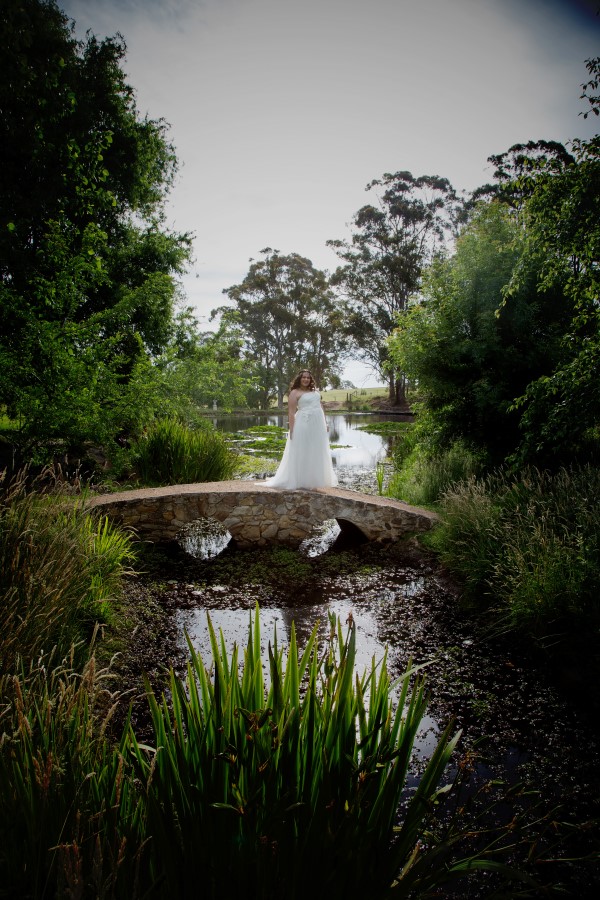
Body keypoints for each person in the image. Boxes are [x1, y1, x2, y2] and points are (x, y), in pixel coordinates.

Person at [265, 369, 338, 489]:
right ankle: (300, 481)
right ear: (299, 379)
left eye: (308, 378)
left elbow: (320, 407)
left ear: (311, 380)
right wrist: (292, 430)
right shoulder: (294, 393)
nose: (306, 379)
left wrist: (325, 423)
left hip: (317, 425)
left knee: (316, 451)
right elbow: (291, 412)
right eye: (303, 377)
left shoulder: (315, 391)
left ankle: (313, 481)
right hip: (303, 424)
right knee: (303, 451)